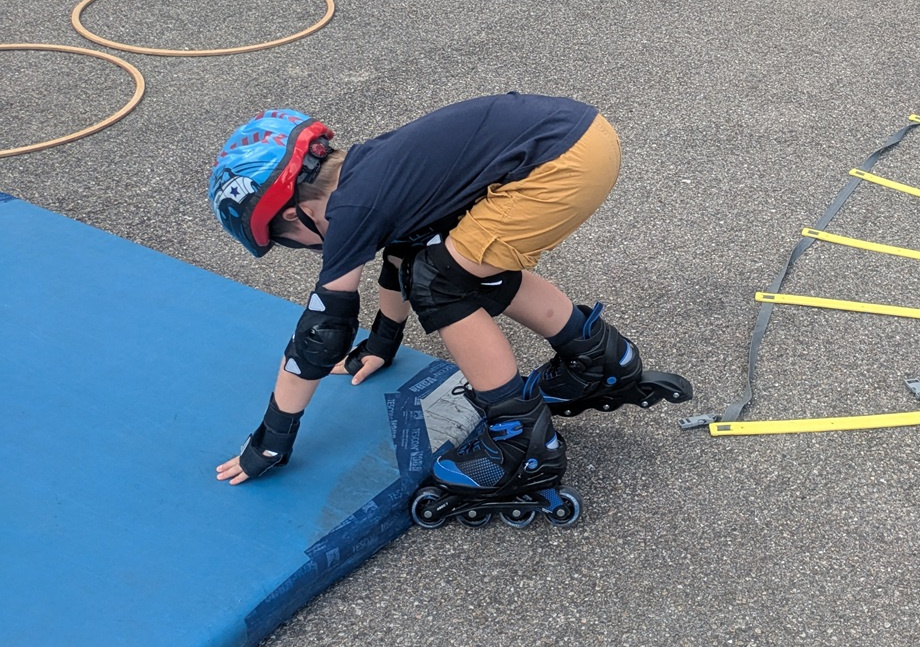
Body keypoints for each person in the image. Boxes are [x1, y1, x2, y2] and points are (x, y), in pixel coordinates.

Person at [207, 97, 691, 529]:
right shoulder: (369, 169)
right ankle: (599, 360)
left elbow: (320, 334)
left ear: (292, 214)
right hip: (583, 137)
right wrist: (382, 343)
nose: (306, 250)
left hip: (557, 166)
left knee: (440, 282)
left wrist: (271, 440)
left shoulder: (351, 209)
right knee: (456, 260)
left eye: (286, 242)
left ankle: (519, 446)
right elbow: (399, 257)